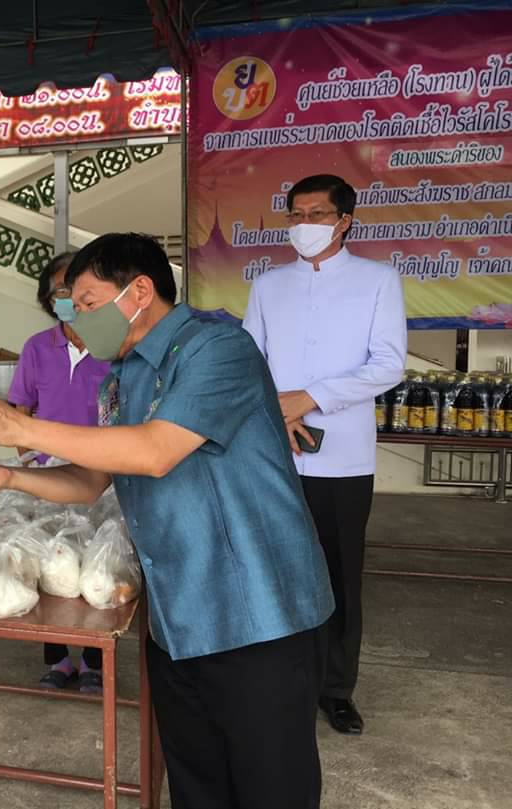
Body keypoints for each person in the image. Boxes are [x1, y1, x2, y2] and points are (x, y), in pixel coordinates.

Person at [0, 233, 334, 809]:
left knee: (271, 787)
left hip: (257, 613)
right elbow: (90, 480)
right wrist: (8, 476)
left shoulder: (216, 348)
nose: (78, 320)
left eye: (88, 303)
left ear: (140, 291)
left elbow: (155, 451)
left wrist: (20, 426)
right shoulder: (119, 379)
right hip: (178, 618)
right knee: (197, 785)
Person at [243, 174, 407, 736]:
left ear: (344, 222)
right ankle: (282, 682)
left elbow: (387, 365)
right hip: (275, 452)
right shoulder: (269, 286)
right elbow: (250, 362)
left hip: (344, 458)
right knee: (275, 568)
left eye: (316, 214)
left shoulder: (377, 281)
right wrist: (279, 413)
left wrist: (310, 398)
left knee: (338, 574)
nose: (303, 224)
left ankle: (336, 690)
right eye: (294, 214)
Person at [7, 253, 113, 694]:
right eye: (61, 291)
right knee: (49, 565)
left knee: (98, 569)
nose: (70, 298)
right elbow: (20, 410)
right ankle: (58, 659)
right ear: (50, 300)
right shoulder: (37, 348)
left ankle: (93, 661)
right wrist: (29, 458)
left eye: (78, 288)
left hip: (105, 479)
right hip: (49, 479)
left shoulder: (114, 347)